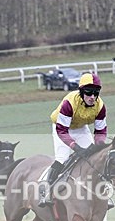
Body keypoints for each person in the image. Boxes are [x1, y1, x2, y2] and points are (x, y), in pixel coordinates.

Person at [38, 72, 107, 207]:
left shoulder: (100, 106)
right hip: (62, 128)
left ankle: (103, 192)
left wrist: (98, 146)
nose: (92, 97)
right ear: (81, 91)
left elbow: (100, 131)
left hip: (81, 128)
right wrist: (75, 147)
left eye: (96, 92)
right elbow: (62, 131)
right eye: (88, 92)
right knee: (62, 158)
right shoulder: (69, 103)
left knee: (95, 157)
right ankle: (45, 190)